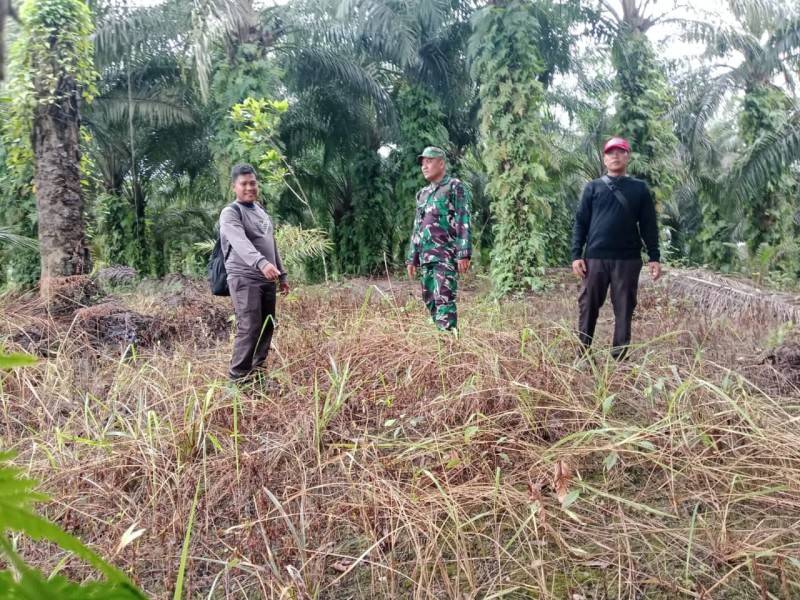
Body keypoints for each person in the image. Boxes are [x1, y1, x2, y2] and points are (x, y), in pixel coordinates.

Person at [571, 137, 661, 360]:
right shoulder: (593, 187)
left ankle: (620, 356)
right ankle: (583, 354)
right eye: (610, 153)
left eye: (620, 152)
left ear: (627, 157)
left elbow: (649, 224)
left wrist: (654, 257)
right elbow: (581, 222)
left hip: (628, 260)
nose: (615, 156)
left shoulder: (640, 189)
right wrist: (576, 255)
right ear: (604, 159)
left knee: (624, 308)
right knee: (588, 306)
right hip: (595, 258)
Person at [220, 164, 290, 384]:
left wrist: (282, 275)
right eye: (244, 184)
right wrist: (260, 262)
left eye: (252, 183)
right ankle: (237, 380)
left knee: (267, 324)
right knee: (249, 326)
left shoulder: (261, 211)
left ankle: (257, 374)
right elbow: (239, 242)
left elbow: (271, 244)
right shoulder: (231, 212)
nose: (249, 187)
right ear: (234, 187)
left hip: (267, 278)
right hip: (244, 277)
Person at [406, 146, 472, 334]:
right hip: (426, 256)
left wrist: (463, 252)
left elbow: (463, 218)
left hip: (446, 255)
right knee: (430, 299)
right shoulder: (422, 194)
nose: (424, 167)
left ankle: (447, 344)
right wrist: (412, 257)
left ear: (441, 163)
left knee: (444, 298)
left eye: (429, 161)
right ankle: (443, 337)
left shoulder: (454, 186)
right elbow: (417, 226)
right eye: (422, 163)